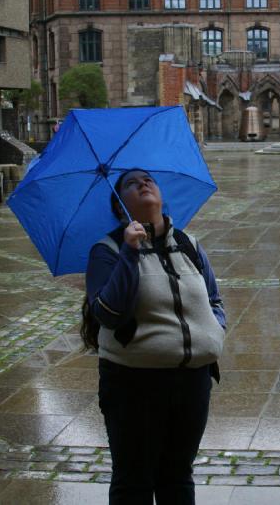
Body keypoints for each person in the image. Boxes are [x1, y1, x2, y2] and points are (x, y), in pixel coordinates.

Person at [81, 168, 226, 505]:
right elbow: (108, 313)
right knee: (134, 482)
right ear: (121, 206)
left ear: (160, 194)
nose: (142, 184)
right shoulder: (108, 250)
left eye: (148, 180)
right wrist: (131, 252)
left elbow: (214, 298)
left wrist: (215, 329)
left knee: (177, 477)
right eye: (131, 183)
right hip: (134, 385)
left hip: (193, 381)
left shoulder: (189, 244)